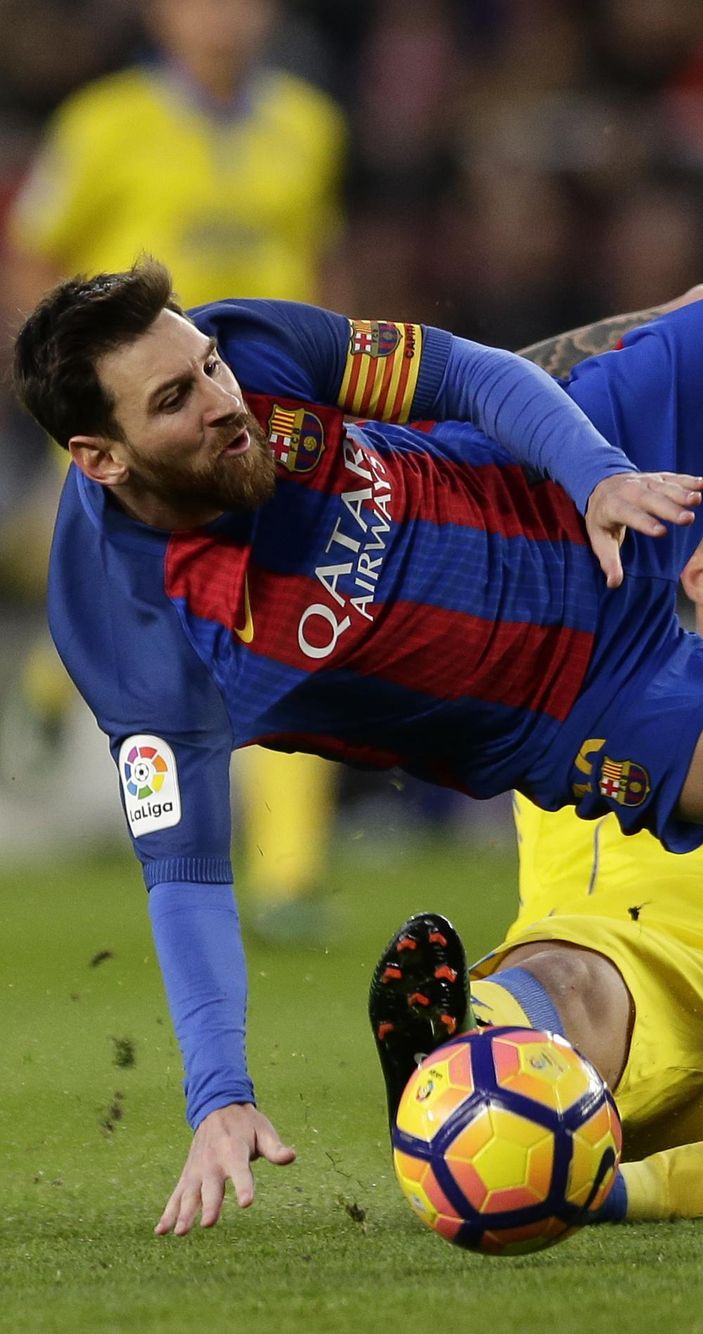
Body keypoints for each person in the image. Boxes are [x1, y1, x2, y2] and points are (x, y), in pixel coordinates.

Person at [13, 242, 703, 1236]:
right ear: (100, 457)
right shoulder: (130, 633)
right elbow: (186, 869)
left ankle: (486, 1034)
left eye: (207, 362)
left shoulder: (254, 344)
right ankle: (479, 1039)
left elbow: (464, 369)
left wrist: (594, 471)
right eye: (176, 397)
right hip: (587, 699)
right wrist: (219, 1093)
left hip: (586, 464)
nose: (222, 398)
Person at [371, 442, 703, 1223]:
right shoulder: (618, 689)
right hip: (626, 1013)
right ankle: (468, 1041)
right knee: (579, 976)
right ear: (697, 574)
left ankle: (618, 1192)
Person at [3, 0, 347, 944]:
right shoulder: (102, 124)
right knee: (120, 601)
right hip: (132, 423)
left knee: (290, 599)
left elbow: (318, 261)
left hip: (253, 407)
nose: (224, 18)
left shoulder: (309, 126)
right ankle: (48, 685)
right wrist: (66, 392)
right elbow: (30, 250)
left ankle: (288, 876)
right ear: (160, 15)